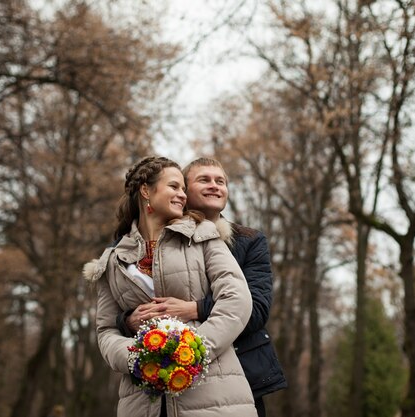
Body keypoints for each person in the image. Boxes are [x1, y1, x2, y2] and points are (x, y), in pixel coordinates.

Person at [83, 156, 257, 417]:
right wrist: (136, 357)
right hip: (140, 402)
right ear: (146, 191)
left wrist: (192, 349)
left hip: (214, 396)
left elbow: (237, 300)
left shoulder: (204, 236)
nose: (182, 195)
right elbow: (106, 330)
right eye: (174, 187)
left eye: (183, 190)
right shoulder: (113, 260)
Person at [118, 157, 287, 417]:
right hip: (165, 378)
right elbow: (130, 299)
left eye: (220, 181)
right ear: (184, 190)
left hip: (240, 374)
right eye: (204, 180)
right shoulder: (151, 241)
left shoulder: (249, 241)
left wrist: (194, 309)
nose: (214, 186)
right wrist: (128, 320)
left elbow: (256, 309)